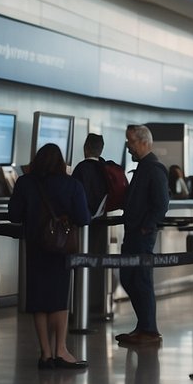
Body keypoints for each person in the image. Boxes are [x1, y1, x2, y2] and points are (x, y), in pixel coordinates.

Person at [8, 143, 92, 369]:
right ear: (61, 163)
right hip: (61, 249)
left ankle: (45, 353)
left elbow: (14, 215)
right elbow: (84, 218)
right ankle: (60, 350)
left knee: (38, 301)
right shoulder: (72, 185)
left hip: (35, 247)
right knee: (58, 298)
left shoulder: (25, 183)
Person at [116, 125, 169, 346]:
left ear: (143, 141)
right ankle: (143, 325)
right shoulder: (142, 168)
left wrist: (146, 227)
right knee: (129, 278)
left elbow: (161, 204)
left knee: (141, 280)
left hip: (141, 235)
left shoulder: (154, 169)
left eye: (131, 142)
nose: (128, 147)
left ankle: (149, 329)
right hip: (133, 232)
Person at [71, 133, 110, 217]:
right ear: (101, 150)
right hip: (102, 216)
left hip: (84, 217)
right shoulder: (105, 168)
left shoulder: (81, 168)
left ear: (86, 147)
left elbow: (73, 193)